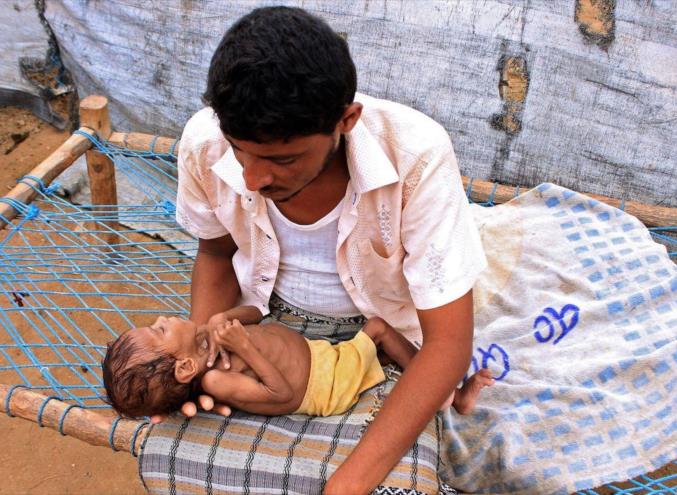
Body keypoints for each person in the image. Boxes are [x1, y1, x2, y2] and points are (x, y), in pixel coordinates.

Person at [169, 6, 487, 493]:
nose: (252, 179)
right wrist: (201, 360)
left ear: (347, 119)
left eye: (283, 158)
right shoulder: (203, 143)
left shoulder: (417, 154)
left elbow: (446, 345)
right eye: (240, 150)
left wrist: (349, 483)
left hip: (384, 343)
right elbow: (215, 255)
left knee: (391, 484)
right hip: (263, 329)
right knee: (176, 456)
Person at [102, 310, 493, 418]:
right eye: (158, 332)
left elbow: (255, 311)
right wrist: (243, 346)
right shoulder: (219, 382)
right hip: (324, 384)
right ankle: (452, 394)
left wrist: (224, 319)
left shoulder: (210, 338)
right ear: (185, 368)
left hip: (322, 356)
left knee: (378, 345)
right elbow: (283, 394)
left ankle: (399, 365)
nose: (162, 320)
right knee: (376, 329)